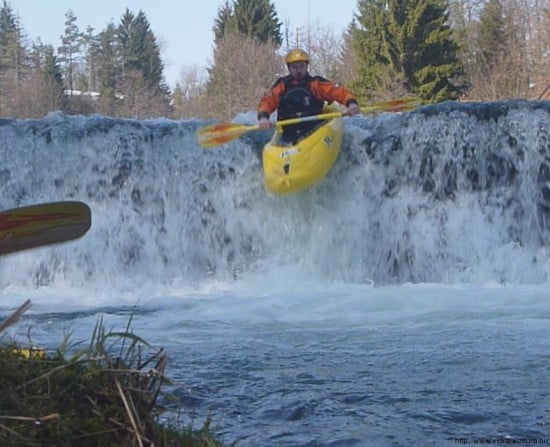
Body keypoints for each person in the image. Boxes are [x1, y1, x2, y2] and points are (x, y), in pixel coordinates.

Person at [257, 48, 360, 143]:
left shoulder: (315, 83)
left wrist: (351, 103)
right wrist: (263, 117)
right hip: (289, 131)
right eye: (295, 67)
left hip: (314, 129)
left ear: (306, 66)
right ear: (289, 68)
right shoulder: (282, 85)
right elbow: (268, 101)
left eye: (302, 66)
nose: (299, 70)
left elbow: (337, 91)